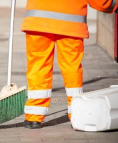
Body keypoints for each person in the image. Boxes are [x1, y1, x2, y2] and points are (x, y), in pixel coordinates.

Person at [21, 0, 118, 129]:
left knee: (38, 66)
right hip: (71, 24)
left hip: (37, 20)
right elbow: (101, 2)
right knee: (71, 68)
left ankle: (34, 116)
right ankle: (76, 113)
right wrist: (113, 4)